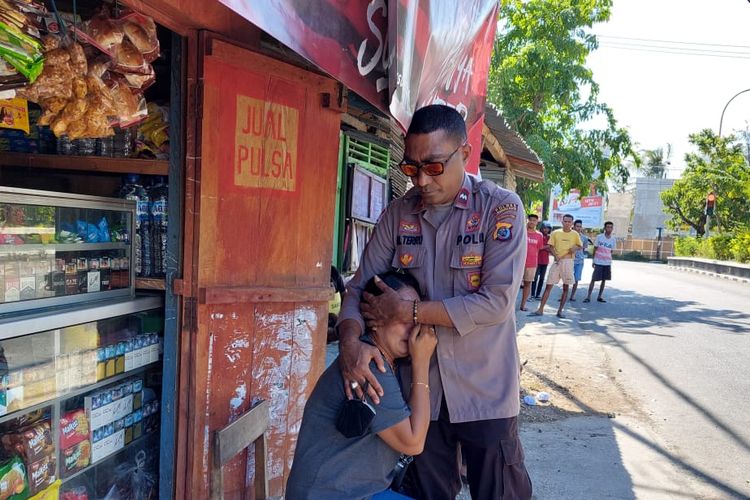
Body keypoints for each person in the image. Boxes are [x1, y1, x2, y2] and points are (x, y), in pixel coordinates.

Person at [337, 104, 532, 500]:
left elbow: (496, 302)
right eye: (412, 168)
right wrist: (350, 343)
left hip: (485, 393)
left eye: (434, 166)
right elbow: (357, 288)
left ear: (464, 153)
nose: (422, 179)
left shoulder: (500, 208)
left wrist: (409, 311)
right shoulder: (398, 214)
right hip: (422, 395)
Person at [287, 271, 437, 499]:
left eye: (414, 317)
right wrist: (422, 362)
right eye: (401, 315)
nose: (412, 328)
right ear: (373, 317)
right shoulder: (369, 365)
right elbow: (414, 442)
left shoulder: (381, 359)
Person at [530, 214, 582, 319]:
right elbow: (550, 246)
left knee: (565, 287)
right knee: (549, 285)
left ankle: (560, 311)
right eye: (565, 221)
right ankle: (540, 310)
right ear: (562, 222)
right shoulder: (555, 233)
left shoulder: (575, 234)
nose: (567, 223)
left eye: (569, 222)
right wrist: (555, 255)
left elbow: (580, 246)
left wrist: (575, 248)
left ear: (572, 223)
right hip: (557, 262)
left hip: (568, 262)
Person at [584, 221, 616, 303]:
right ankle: (588, 296)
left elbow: (611, 251)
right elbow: (595, 248)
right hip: (598, 262)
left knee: (604, 280)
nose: (609, 229)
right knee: (593, 279)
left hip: (607, 263)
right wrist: (593, 260)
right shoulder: (599, 237)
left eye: (611, 227)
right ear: (605, 228)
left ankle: (599, 296)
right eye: (608, 227)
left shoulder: (613, 239)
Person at [519, 214, 544, 311]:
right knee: (514, 284)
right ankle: (509, 306)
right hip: (518, 262)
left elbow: (538, 248)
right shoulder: (521, 232)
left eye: (534, 220)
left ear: (537, 222)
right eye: (531, 220)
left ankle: (522, 305)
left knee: (527, 284)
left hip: (532, 263)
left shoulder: (539, 235)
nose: (532, 222)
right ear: (527, 220)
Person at [569, 219, 591, 302]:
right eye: (577, 226)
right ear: (573, 226)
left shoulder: (584, 238)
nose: (578, 228)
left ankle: (572, 295)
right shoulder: (569, 235)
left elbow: (584, 247)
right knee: (567, 278)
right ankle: (564, 295)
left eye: (580, 227)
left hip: (579, 261)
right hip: (569, 259)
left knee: (576, 279)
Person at [531, 223, 551, 299]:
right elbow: (539, 247)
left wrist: (545, 247)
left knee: (542, 279)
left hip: (545, 261)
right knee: (535, 278)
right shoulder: (539, 236)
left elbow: (551, 248)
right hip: (537, 260)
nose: (546, 230)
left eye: (548, 228)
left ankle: (538, 295)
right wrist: (547, 247)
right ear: (541, 228)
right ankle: (532, 294)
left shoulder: (549, 237)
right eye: (544, 228)